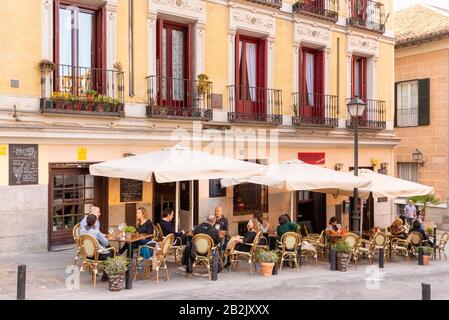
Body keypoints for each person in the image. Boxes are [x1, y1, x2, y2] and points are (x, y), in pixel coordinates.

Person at [80, 214, 114, 281]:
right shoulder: (96, 232)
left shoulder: (82, 231)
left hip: (88, 255)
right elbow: (106, 243)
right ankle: (105, 276)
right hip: (97, 255)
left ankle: (96, 274)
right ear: (95, 222)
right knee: (111, 252)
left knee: (108, 249)